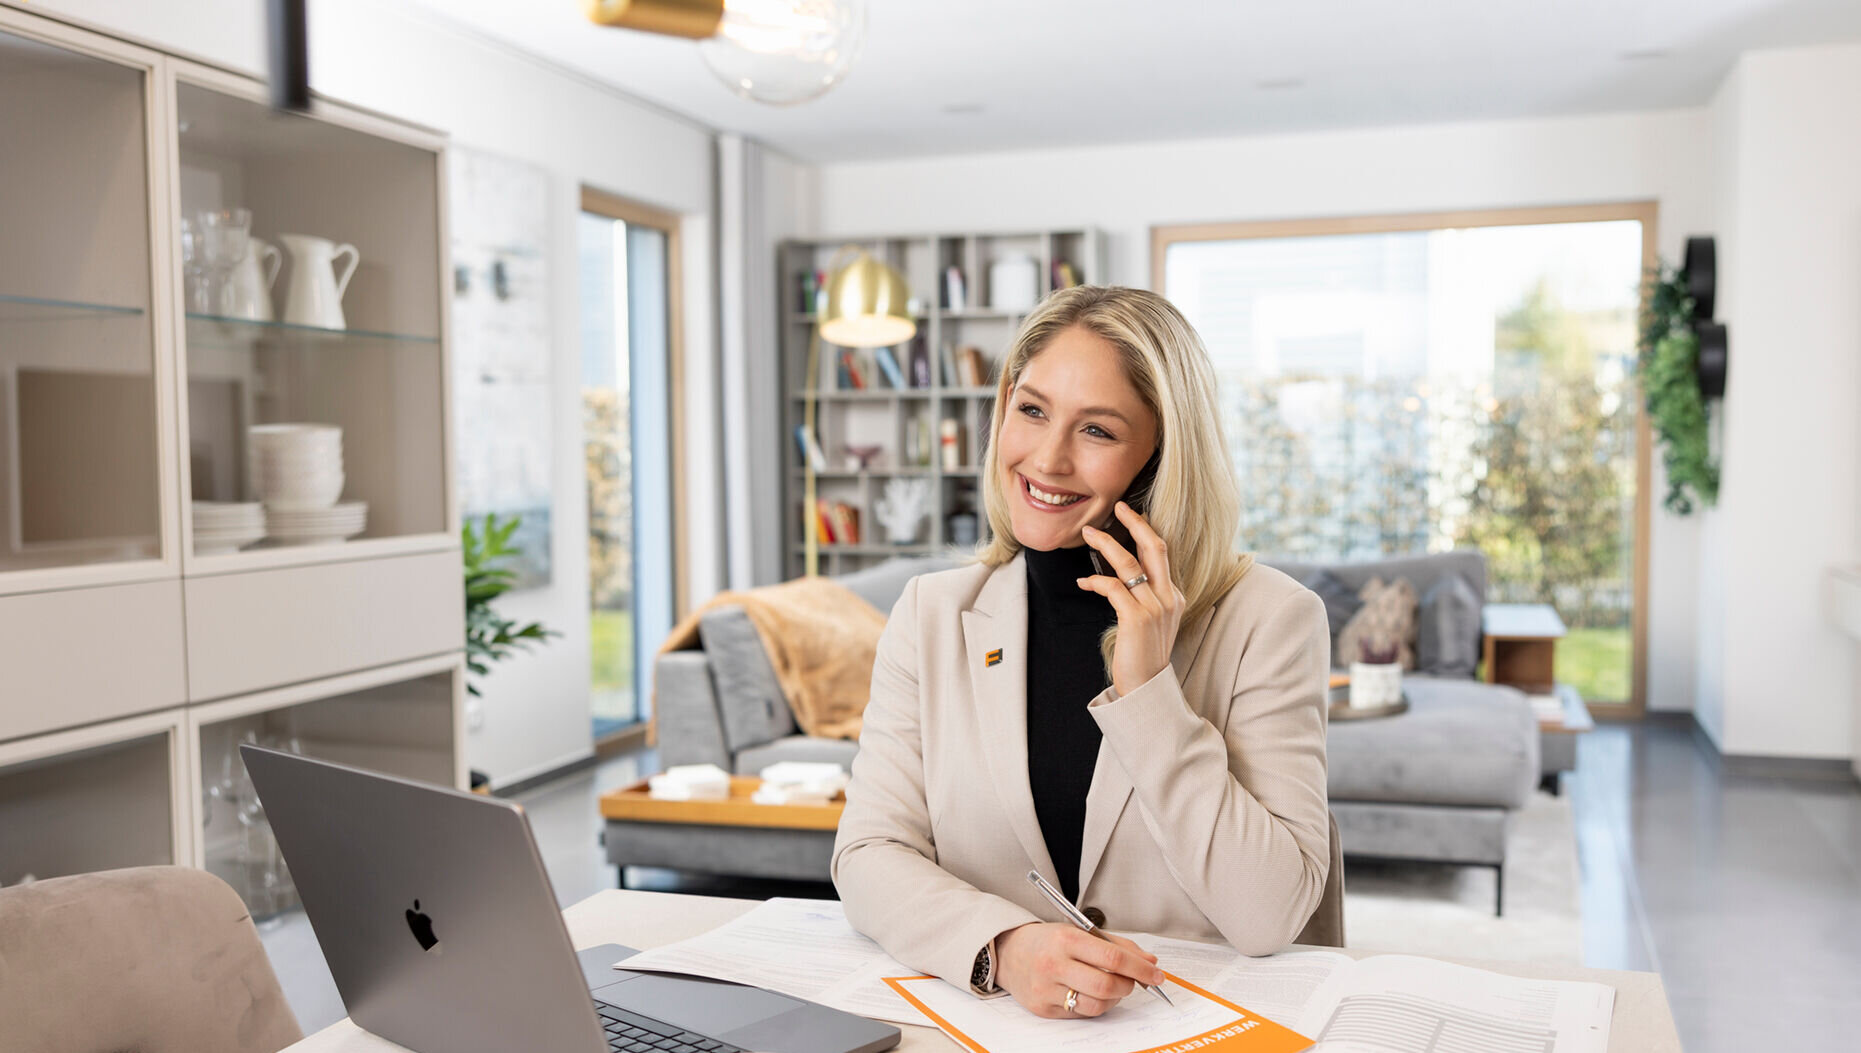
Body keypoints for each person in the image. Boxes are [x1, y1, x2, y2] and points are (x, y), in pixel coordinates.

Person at [831, 285, 1331, 1020]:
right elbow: (867, 854)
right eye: (1031, 410)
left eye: (1096, 430)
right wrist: (1004, 945)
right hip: (989, 1025)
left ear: (1157, 452)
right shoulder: (931, 613)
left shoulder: (1271, 619)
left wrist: (1149, 691)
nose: (1047, 458)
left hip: (1191, 1028)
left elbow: (1268, 914)